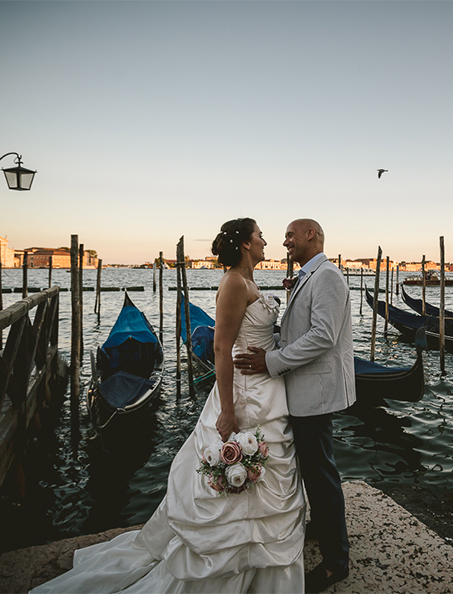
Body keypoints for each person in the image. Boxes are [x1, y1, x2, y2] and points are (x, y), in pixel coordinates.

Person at [33, 218, 305, 593]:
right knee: (235, 476)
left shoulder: (250, 282)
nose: (265, 240)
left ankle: (256, 559)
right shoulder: (231, 283)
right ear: (245, 243)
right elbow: (222, 348)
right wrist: (227, 410)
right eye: (259, 235)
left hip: (267, 390)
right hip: (245, 393)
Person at [234, 218, 356, 593]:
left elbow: (322, 336)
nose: (284, 241)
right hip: (303, 389)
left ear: (311, 236)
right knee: (312, 466)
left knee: (320, 472)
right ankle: (320, 526)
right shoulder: (308, 276)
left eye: (290, 235)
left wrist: (271, 362)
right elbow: (299, 330)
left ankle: (337, 562)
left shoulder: (329, 276)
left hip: (315, 392)